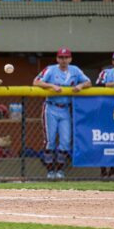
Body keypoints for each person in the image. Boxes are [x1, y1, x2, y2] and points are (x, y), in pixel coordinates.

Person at [33, 48, 91, 179]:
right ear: (57, 59)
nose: (63, 60)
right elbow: (36, 81)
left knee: (65, 141)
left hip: (65, 108)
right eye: (61, 57)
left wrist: (80, 86)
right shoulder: (51, 69)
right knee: (50, 141)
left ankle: (59, 171)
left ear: (70, 59)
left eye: (66, 57)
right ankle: (49, 171)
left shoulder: (75, 70)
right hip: (51, 107)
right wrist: (51, 86)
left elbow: (88, 82)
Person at [96, 51, 114, 178]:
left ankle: (113, 169)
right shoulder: (106, 73)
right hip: (105, 109)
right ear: (113, 62)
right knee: (104, 139)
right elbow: (98, 85)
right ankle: (103, 170)